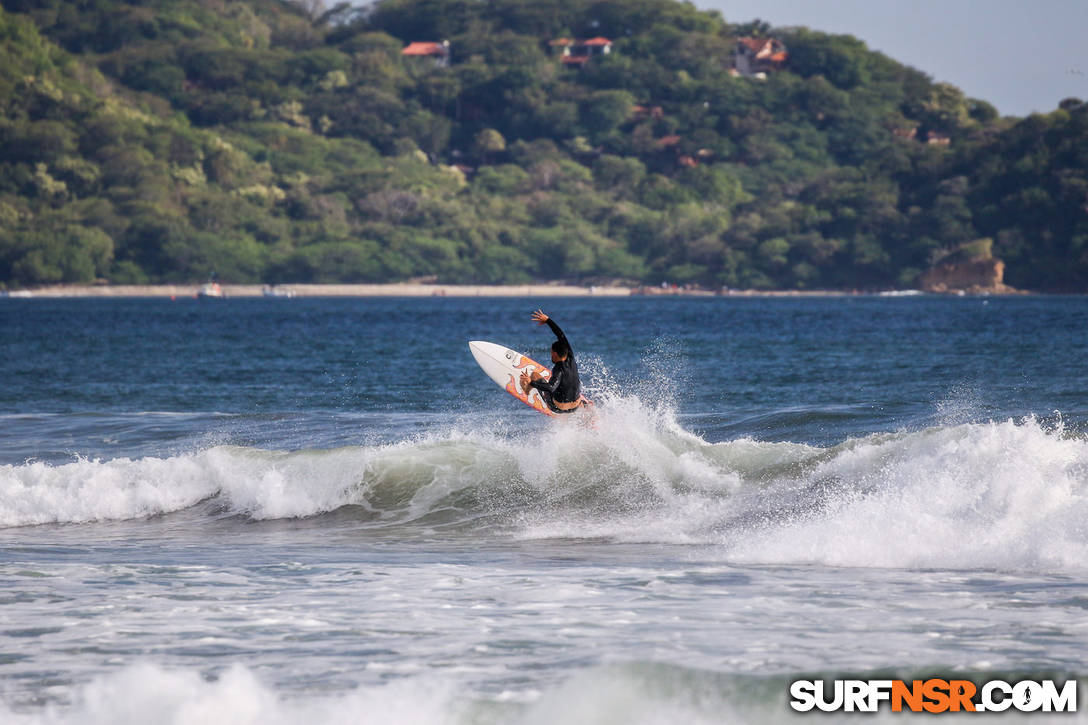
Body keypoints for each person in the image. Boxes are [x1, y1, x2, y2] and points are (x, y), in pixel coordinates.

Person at [520, 309, 586, 414]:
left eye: (551, 353)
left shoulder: (558, 369)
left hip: (558, 408)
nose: (550, 355)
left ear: (554, 353)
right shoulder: (571, 357)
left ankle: (527, 389)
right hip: (575, 406)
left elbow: (550, 387)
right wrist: (548, 320)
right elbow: (561, 335)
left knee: (535, 375)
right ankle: (584, 405)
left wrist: (531, 382)